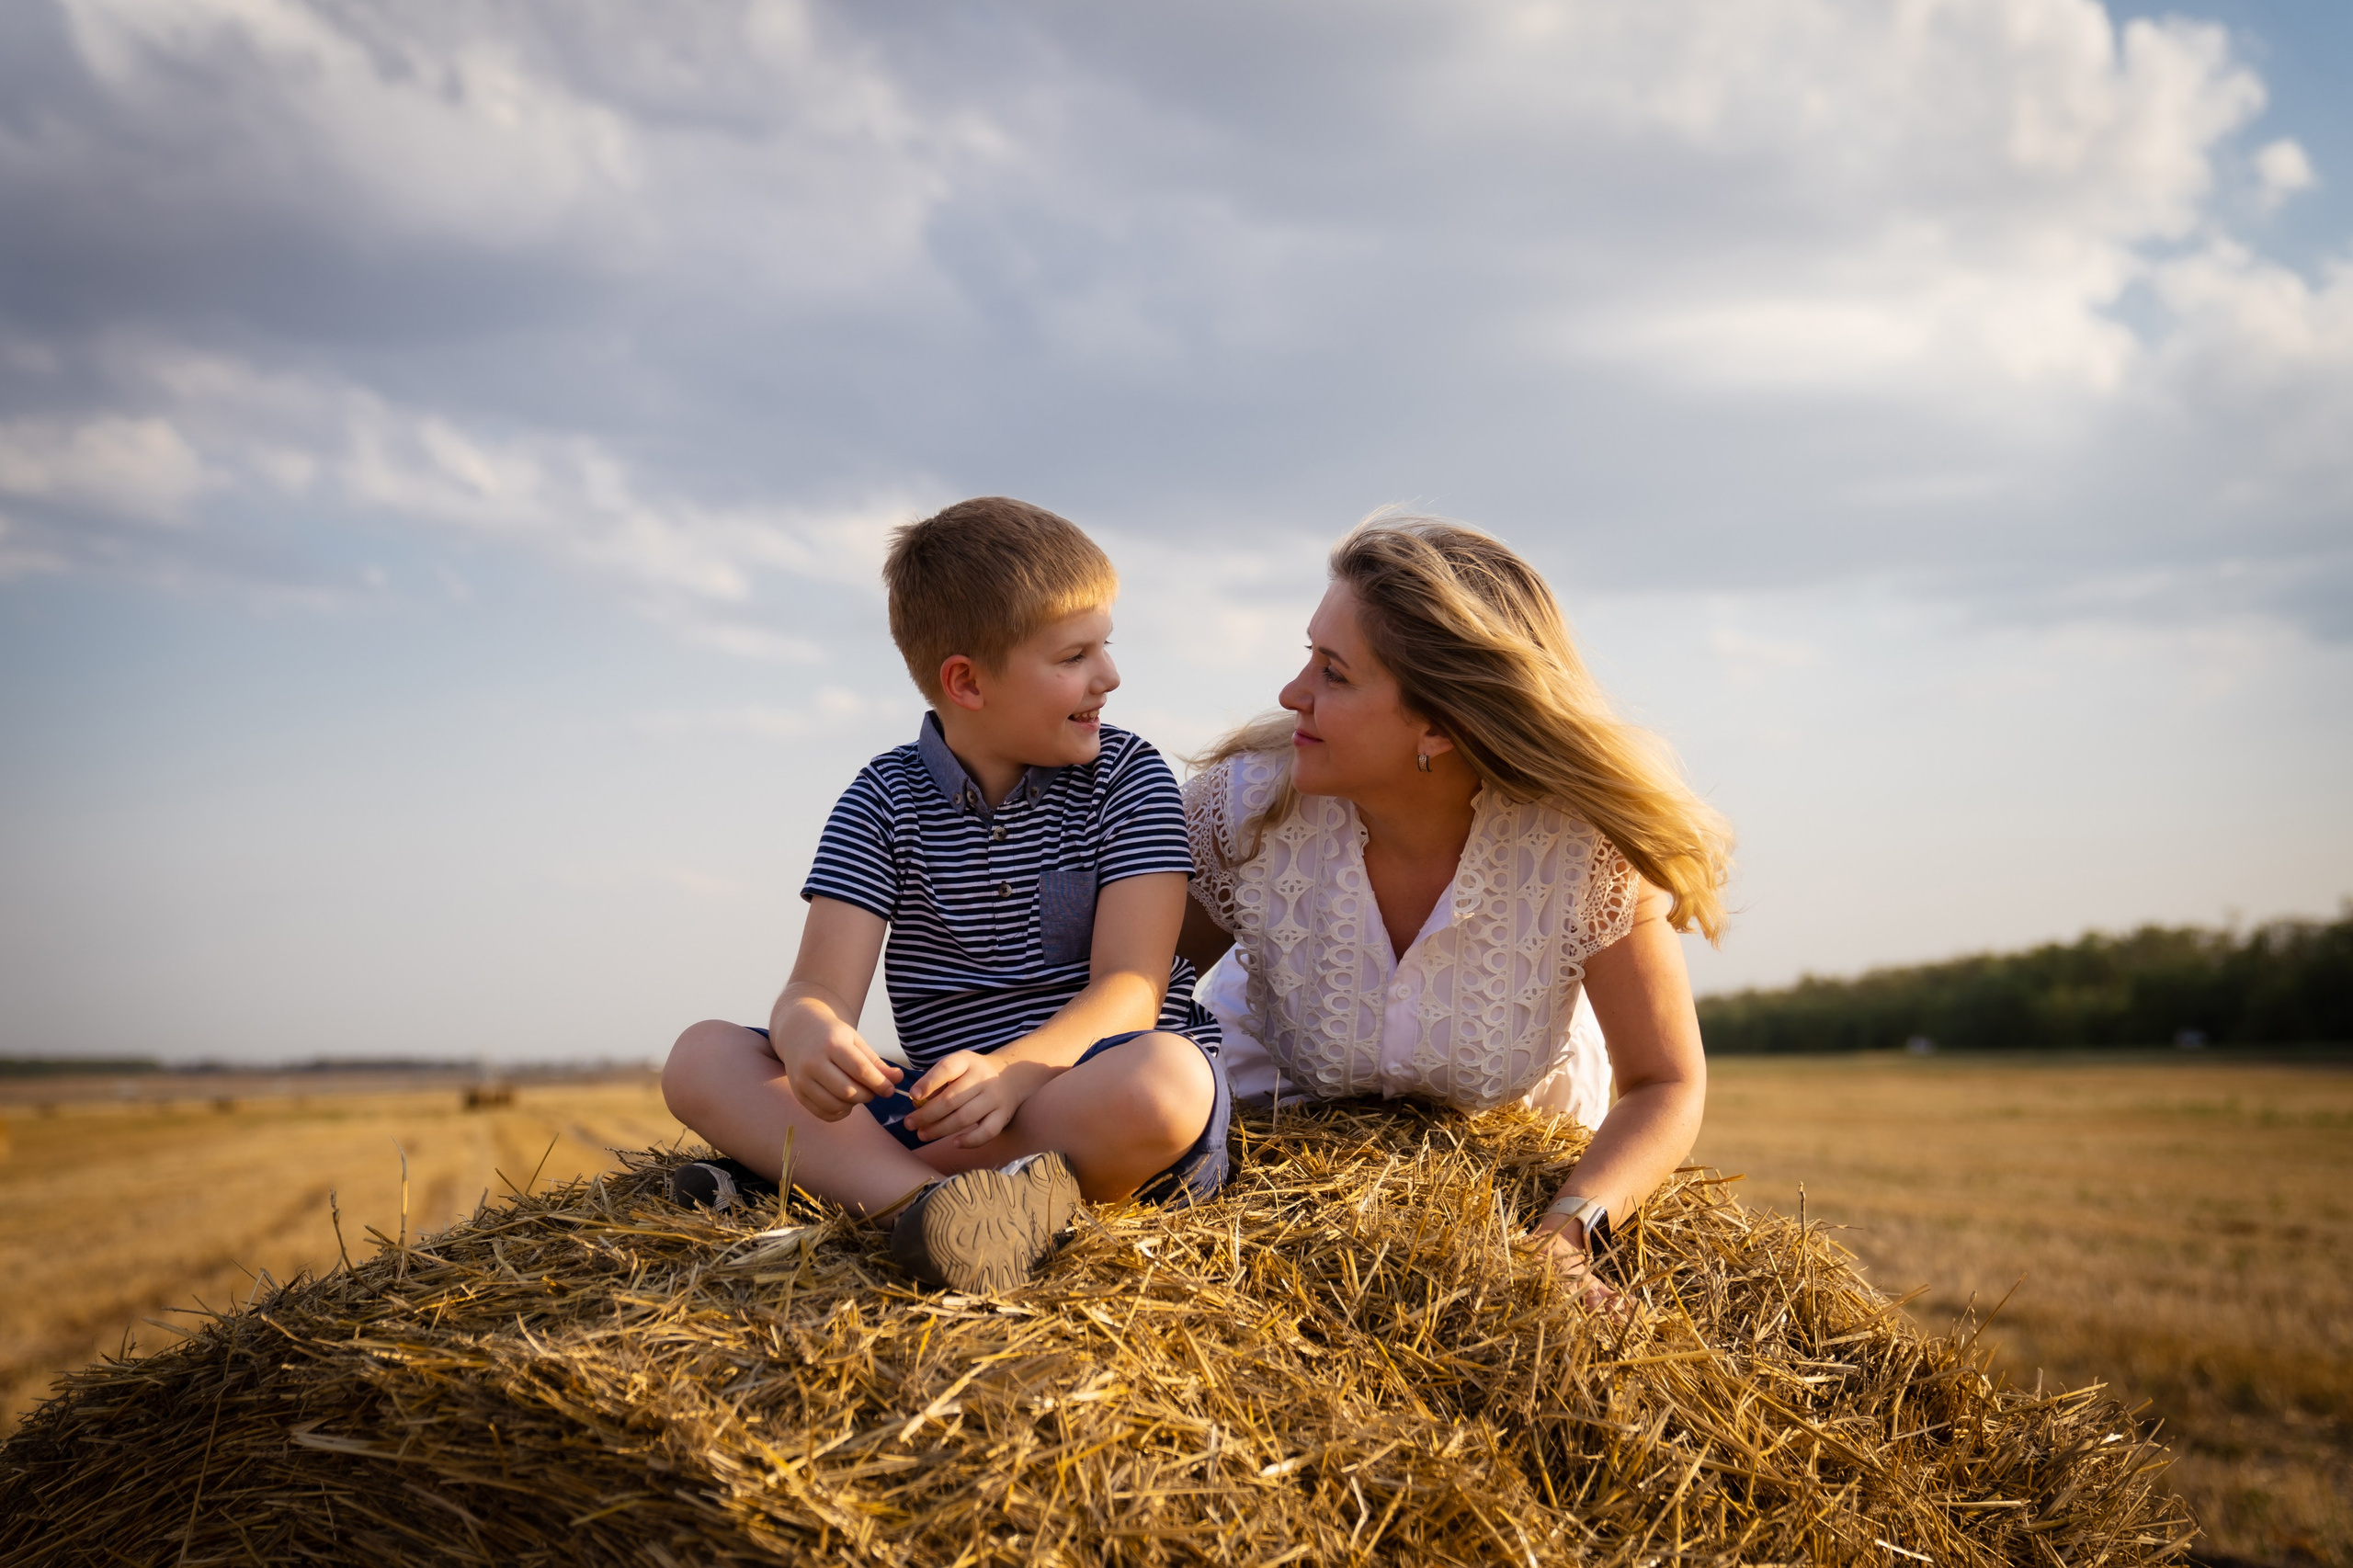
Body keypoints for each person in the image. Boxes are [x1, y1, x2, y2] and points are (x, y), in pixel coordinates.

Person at [663, 497, 1229, 1295]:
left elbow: (1131, 990)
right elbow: (818, 990)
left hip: (1082, 1101)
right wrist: (808, 1037)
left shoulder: (1129, 779)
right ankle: (929, 1211)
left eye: (1106, 646)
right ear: (966, 682)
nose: (1109, 676)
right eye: (1074, 656)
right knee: (701, 1056)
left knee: (1166, 1084)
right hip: (945, 1115)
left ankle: (819, 1186)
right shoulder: (882, 799)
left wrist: (1014, 1073)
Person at [1177, 514, 1731, 1307]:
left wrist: (1565, 1236)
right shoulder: (1244, 811)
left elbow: (1666, 1082)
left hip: (1519, 1129)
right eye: (1310, 655)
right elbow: (1135, 997)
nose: (1291, 692)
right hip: (1276, 1121)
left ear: (1438, 722)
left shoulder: (1585, 850)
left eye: (1332, 672)